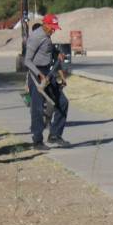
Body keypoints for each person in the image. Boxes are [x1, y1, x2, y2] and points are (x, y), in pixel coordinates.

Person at [24, 14, 70, 150]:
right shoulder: (36, 37)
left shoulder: (46, 35)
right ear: (45, 24)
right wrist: (39, 75)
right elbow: (27, 60)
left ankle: (55, 135)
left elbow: (48, 49)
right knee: (37, 108)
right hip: (37, 75)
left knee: (62, 102)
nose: (53, 30)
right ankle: (37, 140)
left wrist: (57, 53)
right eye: (52, 27)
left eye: (55, 28)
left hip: (48, 74)